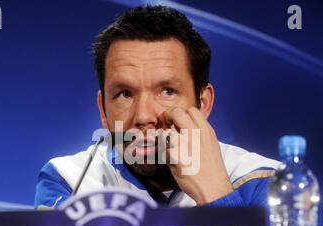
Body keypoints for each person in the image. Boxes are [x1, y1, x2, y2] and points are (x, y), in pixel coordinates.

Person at [34, 5, 280, 209]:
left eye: (167, 91)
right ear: (102, 110)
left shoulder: (267, 181)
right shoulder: (68, 180)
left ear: (203, 103)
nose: (143, 116)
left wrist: (215, 194)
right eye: (124, 94)